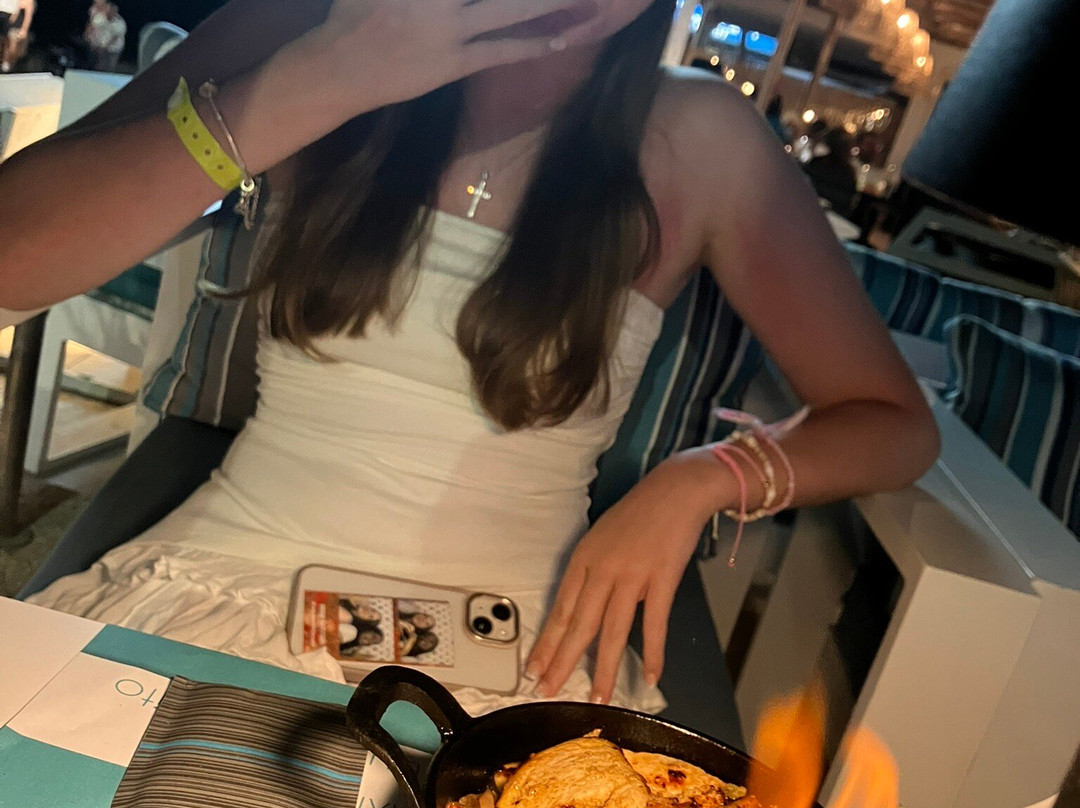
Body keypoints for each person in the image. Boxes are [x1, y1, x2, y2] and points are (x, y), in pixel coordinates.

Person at [0, 0, 938, 712]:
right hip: (230, 574)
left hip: (517, 646)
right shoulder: (302, 27)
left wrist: (705, 478)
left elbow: (894, 425)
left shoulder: (698, 135)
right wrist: (319, 78)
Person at [85, 0, 125, 72]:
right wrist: (90, 38)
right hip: (99, 48)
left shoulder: (119, 22)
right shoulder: (100, 18)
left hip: (112, 49)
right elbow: (92, 27)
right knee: (97, 67)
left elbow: (114, 38)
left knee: (108, 67)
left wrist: (105, 46)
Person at [0, 0, 32, 72]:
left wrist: (24, 29)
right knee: (5, 44)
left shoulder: (28, 2)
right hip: (6, 23)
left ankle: (7, 61)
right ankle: (5, 61)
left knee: (12, 45)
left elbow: (28, 16)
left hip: (16, 25)